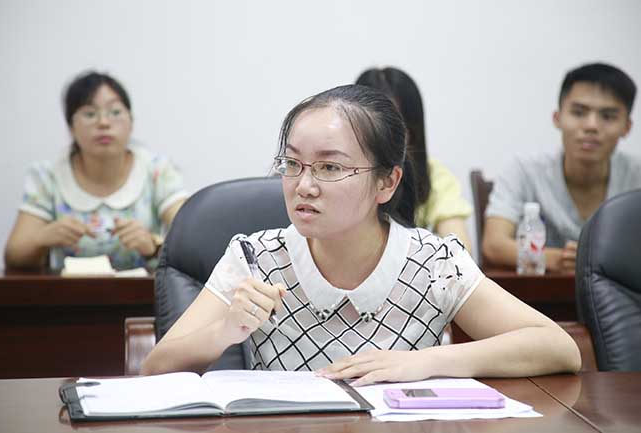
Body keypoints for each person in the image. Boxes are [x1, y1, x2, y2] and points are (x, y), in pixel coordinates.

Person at [141, 85, 580, 384]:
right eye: (292, 163)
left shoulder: (433, 263)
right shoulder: (255, 257)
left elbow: (558, 347)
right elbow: (154, 370)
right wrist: (225, 330)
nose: (303, 185)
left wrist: (423, 362)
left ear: (387, 183)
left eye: (329, 167)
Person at [4, 71, 188, 271]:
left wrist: (154, 246)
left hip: (145, 290)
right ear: (71, 127)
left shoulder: (158, 171)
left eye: (115, 112)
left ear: (131, 123)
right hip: (68, 290)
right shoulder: (47, 177)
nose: (104, 123)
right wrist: (43, 237)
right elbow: (14, 257)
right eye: (90, 114)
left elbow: (194, 242)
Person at [483, 63, 641, 273]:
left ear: (627, 127)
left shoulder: (636, 177)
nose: (591, 126)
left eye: (608, 116)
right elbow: (493, 244)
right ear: (557, 118)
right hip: (541, 292)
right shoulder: (524, 171)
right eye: (579, 112)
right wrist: (553, 259)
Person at [356, 67, 473, 250]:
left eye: (397, 126)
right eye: (375, 127)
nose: (385, 137)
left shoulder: (434, 175)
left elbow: (460, 250)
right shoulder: (340, 174)